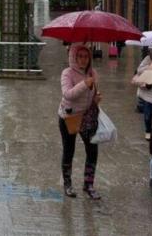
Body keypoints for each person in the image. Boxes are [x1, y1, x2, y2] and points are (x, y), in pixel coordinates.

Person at [58, 44, 103, 199]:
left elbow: (91, 97)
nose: (83, 60)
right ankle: (68, 184)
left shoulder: (92, 73)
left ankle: (88, 184)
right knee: (69, 150)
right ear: (74, 57)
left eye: (86, 56)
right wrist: (85, 84)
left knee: (92, 150)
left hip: (87, 118)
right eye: (80, 56)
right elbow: (68, 94)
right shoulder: (67, 73)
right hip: (69, 117)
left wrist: (95, 100)